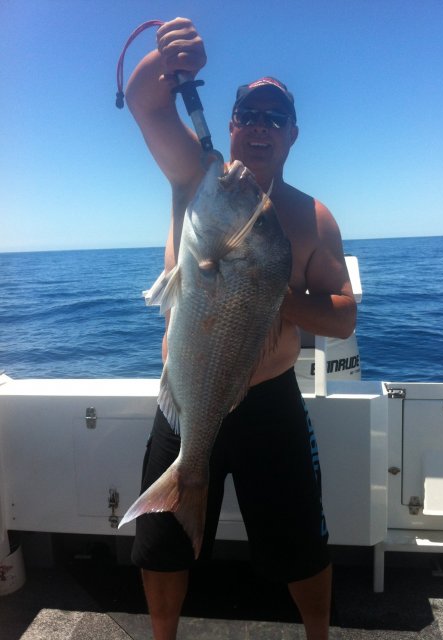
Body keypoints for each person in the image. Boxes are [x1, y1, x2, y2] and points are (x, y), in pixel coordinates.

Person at [124, 17, 356, 640]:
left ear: (292, 135)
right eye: (248, 114)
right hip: (188, 398)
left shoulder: (313, 217)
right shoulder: (197, 178)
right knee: (164, 545)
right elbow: (146, 103)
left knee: (302, 543)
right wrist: (165, 64)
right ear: (229, 126)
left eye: (274, 118)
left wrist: (273, 297)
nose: (259, 126)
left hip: (270, 404)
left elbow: (341, 314)